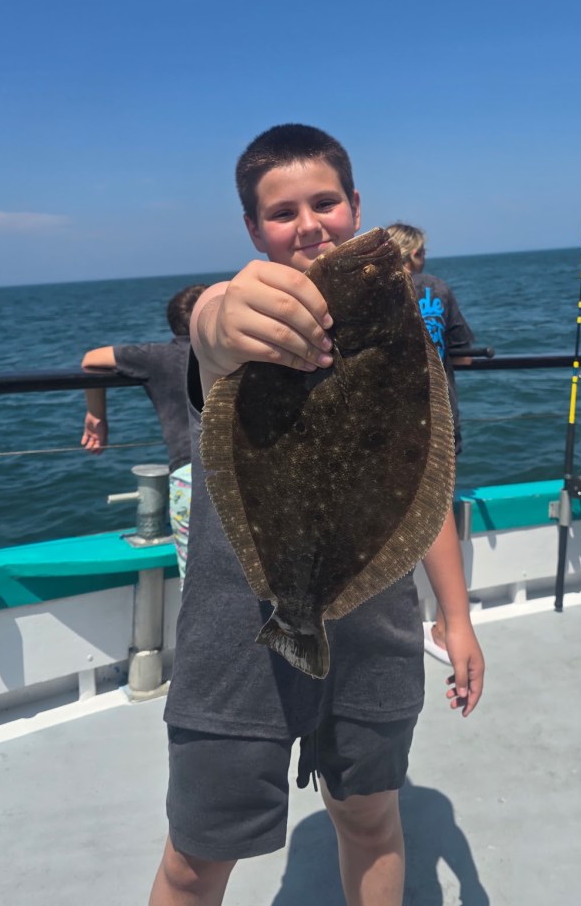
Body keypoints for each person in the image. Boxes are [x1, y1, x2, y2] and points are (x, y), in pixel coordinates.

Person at [149, 124, 485, 906]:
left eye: (326, 203)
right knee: (193, 864)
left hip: (376, 634)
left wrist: (457, 616)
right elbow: (213, 325)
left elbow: (417, 483)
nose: (309, 225)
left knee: (372, 824)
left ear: (354, 205)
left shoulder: (406, 338)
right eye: (282, 213)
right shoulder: (237, 332)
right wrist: (220, 313)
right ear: (253, 230)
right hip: (235, 642)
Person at [385, 223, 475, 667]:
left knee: (389, 519)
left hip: (387, 427)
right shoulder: (437, 290)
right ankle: (444, 621)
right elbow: (463, 352)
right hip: (440, 423)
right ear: (416, 253)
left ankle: (392, 617)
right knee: (438, 511)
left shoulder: (373, 292)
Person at [80, 283, 207, 579]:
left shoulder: (156, 356)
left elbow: (90, 360)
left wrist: (96, 415)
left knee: (194, 579)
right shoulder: (243, 354)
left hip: (187, 476)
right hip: (244, 472)